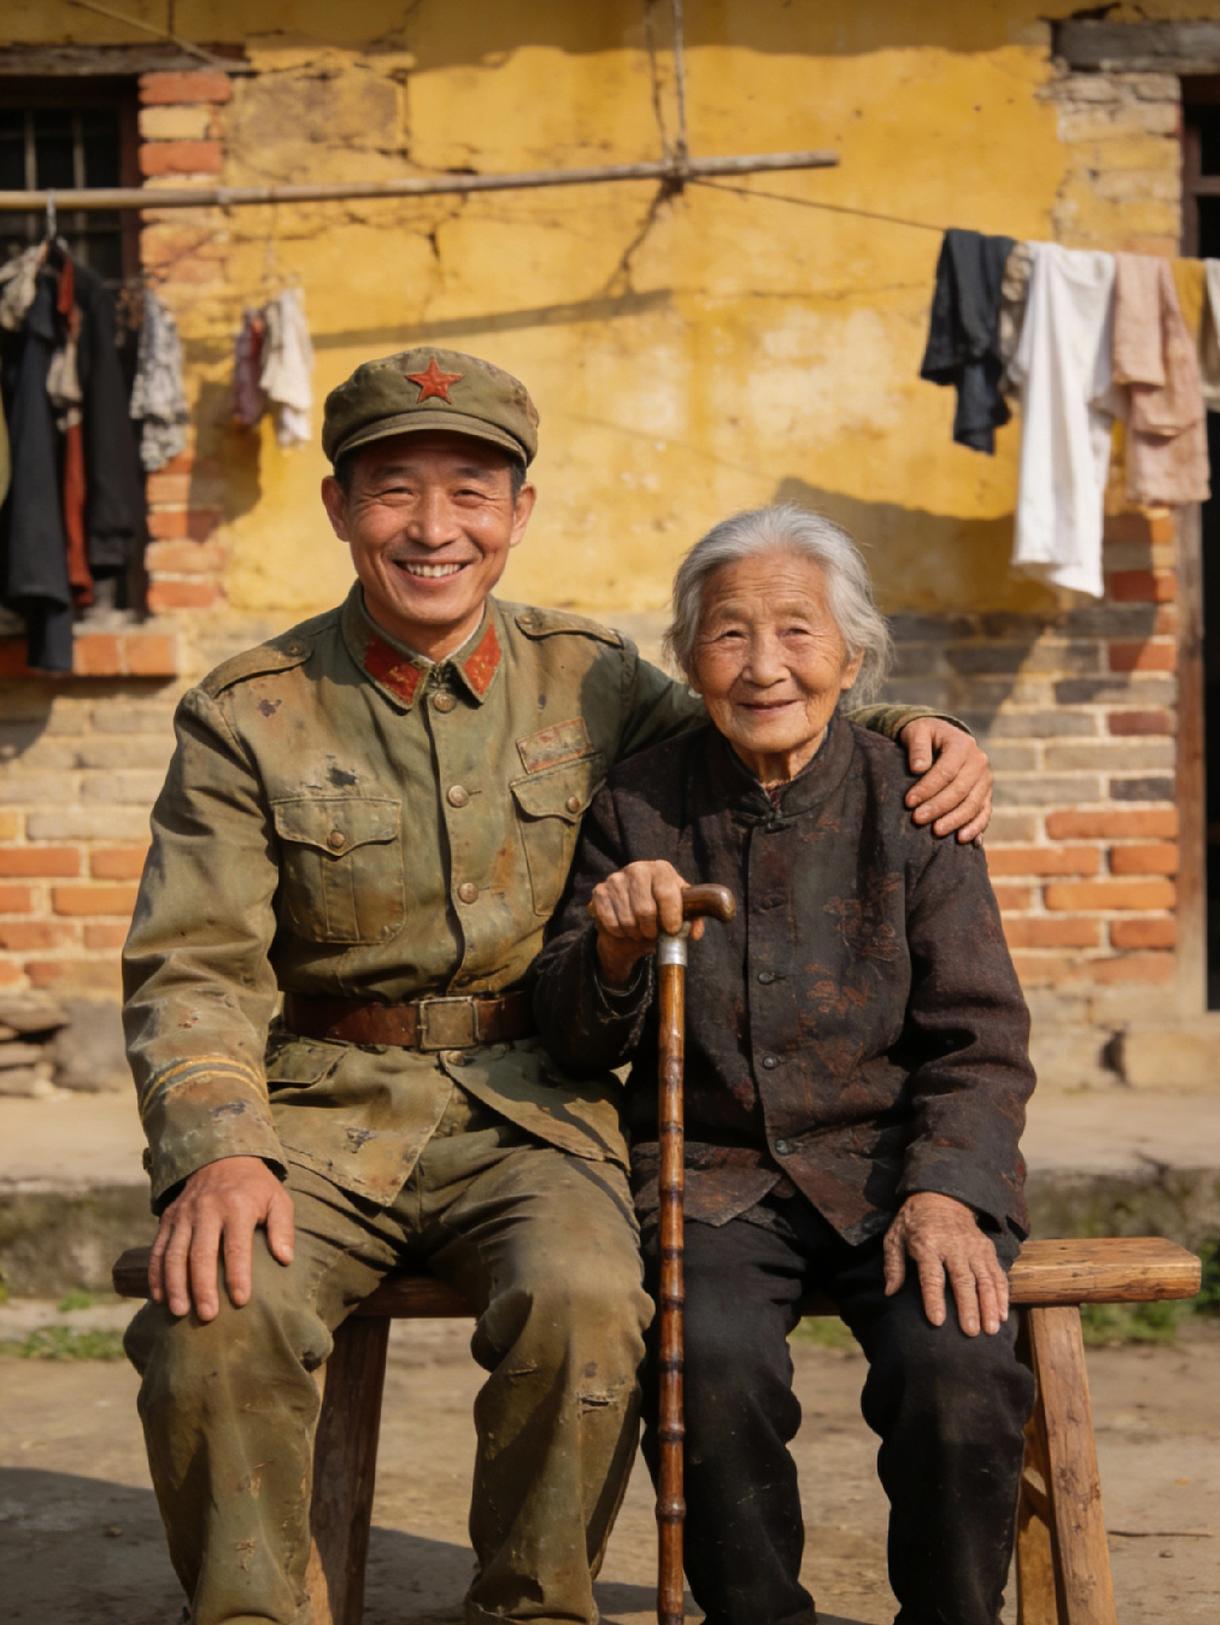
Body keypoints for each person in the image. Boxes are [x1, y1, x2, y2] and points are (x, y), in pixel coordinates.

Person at [121, 349, 997, 1625]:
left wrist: (915, 725)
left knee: (590, 1301)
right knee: (214, 1309)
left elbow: (757, 700)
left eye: (472, 491)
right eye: (393, 491)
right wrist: (217, 1149)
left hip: (531, 1106)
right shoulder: (248, 712)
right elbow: (188, 959)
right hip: (316, 1115)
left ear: (518, 514)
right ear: (336, 509)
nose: (434, 529)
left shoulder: (588, 677)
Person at [533, 504, 1036, 1625]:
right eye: (728, 634)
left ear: (851, 656)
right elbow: (573, 1033)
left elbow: (980, 1035)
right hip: (711, 1177)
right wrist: (612, 946)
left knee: (955, 1367)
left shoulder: (912, 802)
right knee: (701, 1366)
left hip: (895, 1163)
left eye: (797, 632)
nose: (764, 666)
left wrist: (949, 1190)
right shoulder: (634, 803)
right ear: (686, 657)